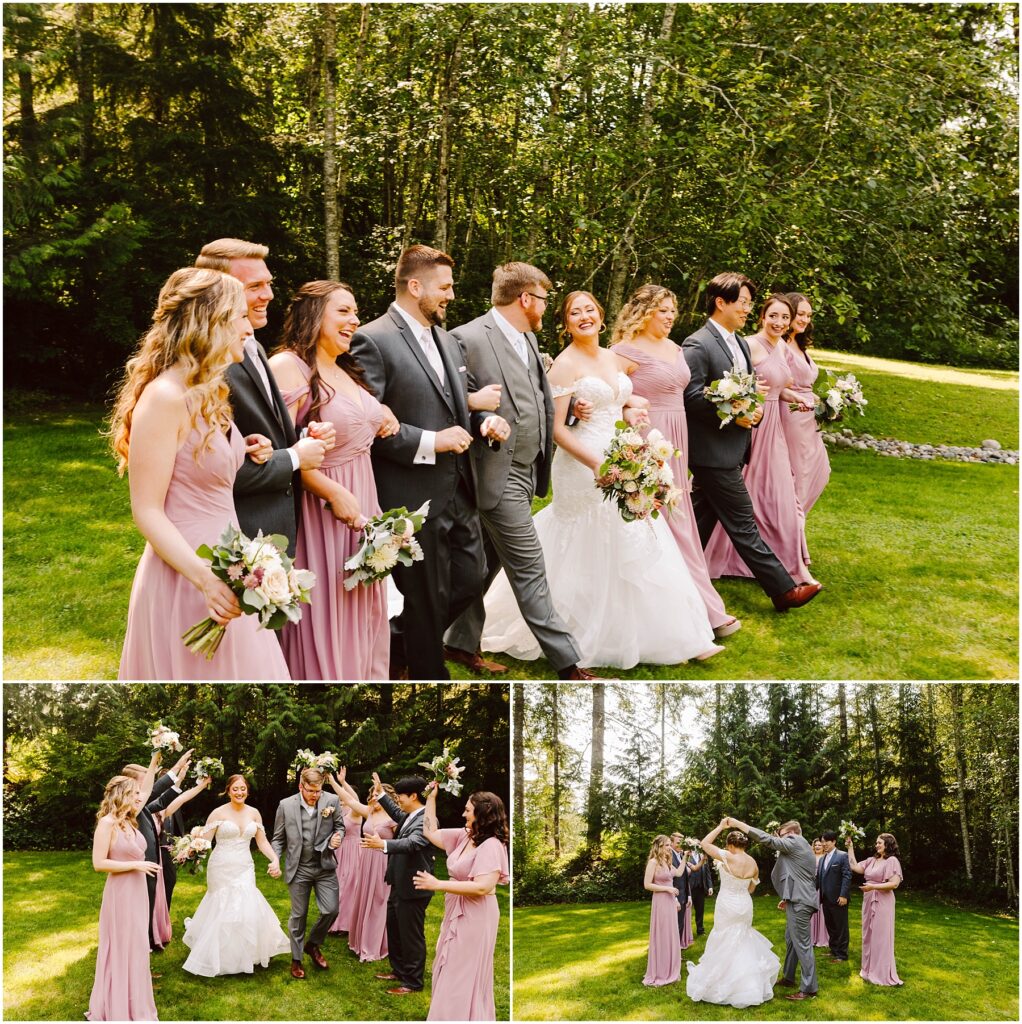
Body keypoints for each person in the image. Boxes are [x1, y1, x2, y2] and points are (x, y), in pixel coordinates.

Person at [480, 290, 723, 669]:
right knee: (593, 538)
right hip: (582, 464)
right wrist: (595, 462)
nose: (584, 317)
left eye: (589, 310)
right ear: (566, 323)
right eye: (575, 313)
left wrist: (631, 412)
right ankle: (575, 630)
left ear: (601, 315)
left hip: (619, 454)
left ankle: (677, 636)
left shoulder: (613, 357)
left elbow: (616, 402)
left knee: (636, 534)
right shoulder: (564, 365)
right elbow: (557, 429)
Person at [112, 267, 291, 680]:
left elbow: (199, 464)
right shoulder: (165, 396)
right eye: (240, 317)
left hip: (229, 564)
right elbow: (147, 511)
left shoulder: (209, 391)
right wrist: (205, 580)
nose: (248, 328)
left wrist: (245, 449)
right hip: (188, 573)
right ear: (210, 322)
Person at [349, 245, 508, 679]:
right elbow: (366, 424)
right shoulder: (372, 339)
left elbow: (459, 407)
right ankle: (427, 674)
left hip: (459, 487)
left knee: (471, 580)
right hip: (410, 493)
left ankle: (396, 644)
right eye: (445, 287)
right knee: (425, 599)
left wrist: (485, 422)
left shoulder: (448, 342)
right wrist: (430, 442)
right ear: (415, 286)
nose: (451, 296)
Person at [445, 262, 596, 681]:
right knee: (530, 567)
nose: (547, 308)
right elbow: (451, 402)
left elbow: (535, 397)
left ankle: (458, 642)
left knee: (483, 564)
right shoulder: (466, 338)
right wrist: (480, 415)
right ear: (526, 298)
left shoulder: (527, 337)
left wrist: (571, 413)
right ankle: (569, 665)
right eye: (544, 300)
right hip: (494, 470)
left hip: (529, 469)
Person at [269, 281, 399, 680]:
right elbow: (281, 450)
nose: (354, 320)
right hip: (322, 511)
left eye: (355, 312)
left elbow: (353, 421)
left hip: (363, 506)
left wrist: (383, 413)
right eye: (343, 311)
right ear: (313, 315)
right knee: (327, 612)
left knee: (363, 613)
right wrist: (330, 491)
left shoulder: (343, 368)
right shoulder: (288, 366)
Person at [681, 273, 820, 612]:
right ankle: (784, 590)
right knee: (743, 522)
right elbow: (691, 396)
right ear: (721, 303)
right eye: (742, 302)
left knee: (697, 522)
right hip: (712, 452)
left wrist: (752, 409)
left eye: (748, 302)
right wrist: (734, 412)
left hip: (737, 448)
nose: (747, 309)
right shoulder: (698, 344)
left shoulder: (740, 344)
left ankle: (675, 571)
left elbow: (748, 390)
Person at [612, 285, 740, 639]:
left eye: (673, 310)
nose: (671, 316)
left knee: (679, 521)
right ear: (644, 313)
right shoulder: (623, 351)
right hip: (647, 440)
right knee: (661, 522)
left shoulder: (675, 348)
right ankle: (699, 611)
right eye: (663, 310)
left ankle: (699, 607)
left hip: (677, 441)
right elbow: (610, 394)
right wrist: (629, 405)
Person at [195, 239, 334, 556]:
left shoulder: (254, 346)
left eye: (268, 283)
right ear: (218, 292)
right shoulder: (207, 365)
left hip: (274, 531)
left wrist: (303, 438)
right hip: (235, 539)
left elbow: (259, 436)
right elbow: (212, 468)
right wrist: (295, 458)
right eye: (254, 286)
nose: (269, 294)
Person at [413, 787, 510, 1020]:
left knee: (460, 971)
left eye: (468, 810)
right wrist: (431, 799)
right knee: (447, 965)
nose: (463, 814)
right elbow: (429, 831)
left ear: (482, 813)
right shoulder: (465, 835)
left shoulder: (492, 845)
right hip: (455, 909)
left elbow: (483, 887)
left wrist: (439, 884)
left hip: (476, 915)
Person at [181, 774, 291, 976]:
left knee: (245, 904)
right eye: (235, 789)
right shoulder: (218, 813)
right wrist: (190, 853)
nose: (240, 792)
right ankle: (221, 956)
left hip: (244, 865)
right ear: (228, 791)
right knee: (223, 905)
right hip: (221, 866)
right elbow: (205, 841)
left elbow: (262, 842)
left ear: (247, 790)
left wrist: (274, 859)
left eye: (243, 789)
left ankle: (244, 954)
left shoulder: (254, 813)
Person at [86, 761, 160, 1022]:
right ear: (122, 795)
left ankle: (135, 1003)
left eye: (138, 794)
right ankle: (116, 1006)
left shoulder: (129, 820)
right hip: (120, 894)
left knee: (137, 946)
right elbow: (98, 864)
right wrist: (135, 865)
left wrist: (155, 759)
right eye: (134, 794)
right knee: (121, 947)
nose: (139, 797)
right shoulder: (107, 823)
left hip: (137, 893)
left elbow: (148, 789)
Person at [685, 822, 780, 1008]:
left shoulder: (727, 856)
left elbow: (704, 843)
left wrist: (721, 826)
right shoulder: (753, 863)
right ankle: (748, 985)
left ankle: (722, 982)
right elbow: (751, 889)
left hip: (727, 904)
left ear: (730, 844)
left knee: (723, 938)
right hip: (745, 904)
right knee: (743, 939)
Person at [725, 815, 818, 1001]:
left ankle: (809, 989)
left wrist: (738, 824)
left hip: (801, 901)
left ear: (791, 833)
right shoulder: (801, 846)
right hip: (797, 898)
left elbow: (767, 840)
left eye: (781, 835)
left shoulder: (795, 840)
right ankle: (789, 977)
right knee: (791, 940)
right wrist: (787, 896)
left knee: (802, 944)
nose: (779, 838)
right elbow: (796, 874)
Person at [362, 773, 435, 995]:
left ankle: (413, 982)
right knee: (394, 929)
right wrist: (380, 794)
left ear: (413, 796)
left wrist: (383, 844)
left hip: (414, 886)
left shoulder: (426, 819)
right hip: (398, 882)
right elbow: (395, 812)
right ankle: (399, 970)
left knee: (411, 935)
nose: (398, 800)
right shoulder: (410, 814)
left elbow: (413, 843)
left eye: (401, 796)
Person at [270, 768, 345, 979]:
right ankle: (296, 959)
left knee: (331, 910)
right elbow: (278, 838)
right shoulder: (286, 805)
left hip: (324, 866)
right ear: (300, 787)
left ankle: (312, 944)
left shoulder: (332, 801)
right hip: (299, 868)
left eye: (318, 791)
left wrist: (338, 837)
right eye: (311, 791)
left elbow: (340, 827)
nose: (315, 795)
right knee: (299, 915)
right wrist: (275, 859)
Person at [120, 748, 194, 952]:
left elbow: (162, 800)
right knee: (139, 905)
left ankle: (146, 940)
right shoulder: (129, 807)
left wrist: (180, 777)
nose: (147, 786)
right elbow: (153, 793)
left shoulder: (139, 805)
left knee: (149, 903)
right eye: (144, 782)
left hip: (150, 861)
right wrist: (176, 767)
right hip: (137, 862)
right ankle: (138, 943)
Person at [328, 772, 398, 961]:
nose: (373, 797)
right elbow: (349, 800)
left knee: (378, 901)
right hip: (366, 862)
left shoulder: (394, 818)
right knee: (364, 899)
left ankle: (375, 943)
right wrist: (333, 782)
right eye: (372, 794)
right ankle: (360, 940)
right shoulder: (369, 812)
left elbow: (403, 842)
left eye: (377, 794)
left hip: (382, 863)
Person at [149, 770, 213, 949]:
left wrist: (201, 785)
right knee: (149, 894)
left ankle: (159, 929)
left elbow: (182, 798)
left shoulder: (162, 810)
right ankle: (146, 934)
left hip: (163, 853)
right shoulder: (144, 808)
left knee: (166, 886)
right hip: (148, 856)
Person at [780, 293, 831, 513]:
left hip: (810, 421)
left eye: (809, 316)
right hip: (792, 416)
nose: (805, 320)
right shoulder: (781, 344)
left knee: (820, 472)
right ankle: (791, 524)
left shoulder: (799, 344)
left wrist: (829, 402)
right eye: (800, 314)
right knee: (798, 475)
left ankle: (794, 521)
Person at [847, 832, 903, 985]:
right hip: (868, 899)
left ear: (888, 844)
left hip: (883, 901)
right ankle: (868, 969)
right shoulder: (872, 860)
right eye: (876, 842)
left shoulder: (892, 861)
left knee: (880, 936)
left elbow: (894, 884)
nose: (876, 845)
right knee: (868, 935)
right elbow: (854, 866)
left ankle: (881, 973)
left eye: (879, 843)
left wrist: (873, 887)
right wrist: (850, 847)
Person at [324, 770, 367, 936]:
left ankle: (346, 925)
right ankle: (334, 922)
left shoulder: (356, 813)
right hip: (338, 852)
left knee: (349, 887)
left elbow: (354, 799)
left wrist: (342, 782)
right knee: (336, 886)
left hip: (353, 852)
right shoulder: (337, 812)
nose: (342, 800)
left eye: (343, 797)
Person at [642, 836, 686, 986]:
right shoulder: (653, 862)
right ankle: (660, 969)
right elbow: (647, 885)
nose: (669, 847)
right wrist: (667, 889)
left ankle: (671, 967)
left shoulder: (667, 861)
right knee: (662, 933)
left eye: (669, 845)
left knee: (671, 933)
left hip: (670, 901)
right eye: (666, 845)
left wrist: (685, 857)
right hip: (660, 901)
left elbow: (678, 873)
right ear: (659, 846)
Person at [818, 830, 852, 961]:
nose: (824, 844)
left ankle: (842, 955)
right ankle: (833, 951)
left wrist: (843, 895)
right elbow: (819, 879)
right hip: (825, 899)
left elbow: (847, 876)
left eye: (826, 841)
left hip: (839, 899)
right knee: (831, 927)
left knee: (841, 928)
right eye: (822, 841)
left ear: (834, 841)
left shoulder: (842, 856)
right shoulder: (822, 859)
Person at [669, 834, 693, 950]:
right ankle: (672, 951)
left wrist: (689, 895)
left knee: (680, 924)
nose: (680, 845)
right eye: (678, 842)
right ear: (671, 843)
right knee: (673, 925)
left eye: (681, 842)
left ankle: (677, 951)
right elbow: (669, 879)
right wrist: (675, 898)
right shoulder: (669, 856)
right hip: (673, 895)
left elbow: (685, 877)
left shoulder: (682, 855)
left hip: (683, 895)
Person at [687, 843, 715, 936]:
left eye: (697, 845)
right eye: (694, 845)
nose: (696, 846)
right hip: (689, 888)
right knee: (688, 911)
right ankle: (687, 932)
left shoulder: (703, 856)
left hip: (701, 888)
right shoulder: (686, 856)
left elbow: (707, 872)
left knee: (700, 910)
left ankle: (700, 930)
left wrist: (710, 886)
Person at [810, 837, 830, 948]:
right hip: (811, 887)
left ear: (823, 847)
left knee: (822, 911)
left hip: (822, 887)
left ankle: (822, 937)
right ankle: (811, 937)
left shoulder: (826, 857)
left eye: (819, 845)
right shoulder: (810, 857)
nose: (817, 847)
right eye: (815, 845)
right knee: (811, 911)